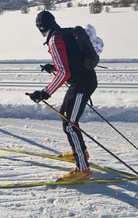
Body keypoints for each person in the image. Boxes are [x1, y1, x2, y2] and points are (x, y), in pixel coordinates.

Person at [28, 10, 98, 182]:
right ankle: (82, 152)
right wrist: (53, 67)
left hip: (82, 84)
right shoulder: (64, 33)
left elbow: (64, 72)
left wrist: (44, 93)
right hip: (82, 81)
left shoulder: (54, 39)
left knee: (70, 124)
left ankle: (83, 169)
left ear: (41, 28)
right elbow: (70, 60)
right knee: (66, 115)